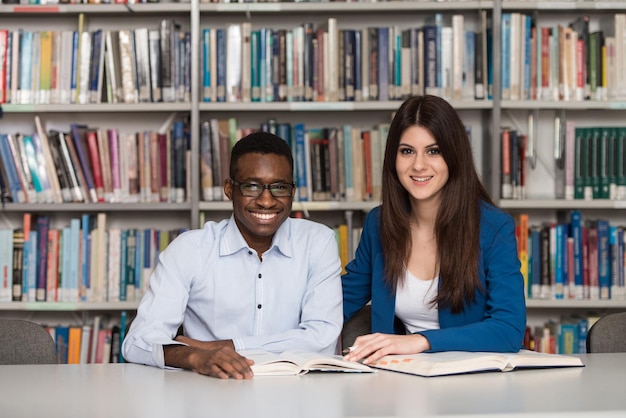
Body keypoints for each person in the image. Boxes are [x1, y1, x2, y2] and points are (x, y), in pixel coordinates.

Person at [122, 131, 343, 379]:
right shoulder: (189, 250)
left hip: (296, 393)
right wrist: (196, 356)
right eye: (252, 186)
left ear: (292, 191)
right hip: (211, 390)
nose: (267, 201)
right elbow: (138, 342)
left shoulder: (318, 242)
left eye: (279, 187)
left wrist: (227, 347)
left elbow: (323, 338)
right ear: (229, 189)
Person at [342, 95, 526, 365]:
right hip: (400, 379)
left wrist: (419, 341)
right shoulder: (379, 224)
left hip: (470, 381)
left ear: (453, 156)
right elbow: (340, 301)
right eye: (407, 151)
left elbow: (508, 330)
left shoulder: (493, 227)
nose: (418, 165)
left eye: (433, 151)